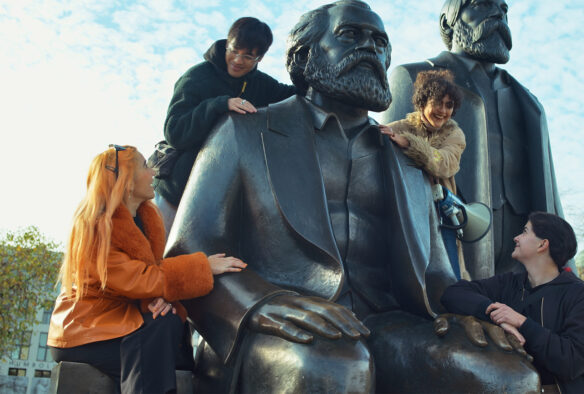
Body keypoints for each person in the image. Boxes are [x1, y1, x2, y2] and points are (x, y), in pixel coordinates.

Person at [166, 1, 539, 393]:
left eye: (380, 42)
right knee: (334, 366)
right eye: (351, 35)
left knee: (504, 372)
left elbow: (437, 273)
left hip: (386, 322)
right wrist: (262, 302)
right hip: (274, 324)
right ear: (304, 55)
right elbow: (189, 249)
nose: (371, 49)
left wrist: (470, 313)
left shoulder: (404, 155)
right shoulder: (245, 132)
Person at [381, 0, 569, 280]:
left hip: (524, 266)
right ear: (448, 23)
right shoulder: (412, 77)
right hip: (451, 257)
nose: (498, 14)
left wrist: (566, 271)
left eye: (504, 9)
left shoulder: (528, 102)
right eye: (482, 4)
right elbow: (392, 186)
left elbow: (551, 197)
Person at [47, 145, 246, 393]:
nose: (153, 172)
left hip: (122, 318)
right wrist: (203, 266)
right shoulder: (96, 225)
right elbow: (138, 279)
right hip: (87, 329)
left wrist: (161, 298)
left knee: (168, 323)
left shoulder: (144, 220)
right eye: (144, 166)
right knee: (161, 329)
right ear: (126, 182)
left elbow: (146, 277)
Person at [153, 17, 298, 235]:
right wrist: (220, 104)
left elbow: (295, 97)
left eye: (248, 56)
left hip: (223, 199)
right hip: (177, 191)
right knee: (154, 255)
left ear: (260, 58)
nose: (238, 60)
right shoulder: (197, 77)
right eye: (234, 50)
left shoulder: (261, 84)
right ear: (227, 43)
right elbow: (175, 131)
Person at [441, 212, 584, 393]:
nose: (516, 237)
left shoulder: (580, 295)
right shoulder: (509, 284)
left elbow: (573, 360)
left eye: (525, 232)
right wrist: (495, 315)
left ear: (543, 244)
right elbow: (453, 293)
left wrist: (522, 323)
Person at [379, 69, 466, 278]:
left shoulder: (455, 134)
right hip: (405, 215)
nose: (443, 111)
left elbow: (444, 163)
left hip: (440, 217)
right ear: (423, 102)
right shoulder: (399, 127)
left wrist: (410, 143)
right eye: (438, 102)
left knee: (449, 278)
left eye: (449, 105)